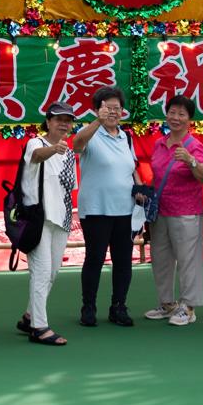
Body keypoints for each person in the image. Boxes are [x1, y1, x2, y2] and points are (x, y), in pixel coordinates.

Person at [72, 87, 137, 327]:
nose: (113, 112)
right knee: (95, 258)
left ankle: (118, 306)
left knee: (123, 261)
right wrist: (96, 122)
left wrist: (140, 190)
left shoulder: (126, 137)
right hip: (96, 209)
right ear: (97, 109)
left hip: (125, 209)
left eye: (117, 108)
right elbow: (76, 145)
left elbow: (132, 167)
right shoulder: (89, 134)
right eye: (107, 107)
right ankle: (88, 306)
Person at [143, 96, 203, 326]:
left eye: (182, 114)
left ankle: (188, 307)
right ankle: (167, 303)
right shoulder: (159, 143)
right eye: (172, 112)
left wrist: (191, 161)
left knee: (187, 259)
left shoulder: (195, 146)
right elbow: (157, 176)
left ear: (189, 119)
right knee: (160, 259)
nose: (176, 118)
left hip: (185, 211)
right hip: (160, 211)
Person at [17, 100, 79, 346]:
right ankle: (39, 327)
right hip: (38, 218)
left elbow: (68, 189)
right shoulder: (37, 143)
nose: (63, 124)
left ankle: (29, 316)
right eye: (58, 119)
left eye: (68, 120)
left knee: (52, 271)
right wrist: (54, 149)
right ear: (49, 122)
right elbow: (35, 156)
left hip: (61, 218)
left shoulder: (69, 152)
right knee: (41, 272)